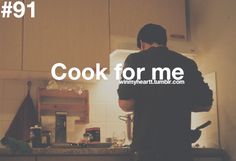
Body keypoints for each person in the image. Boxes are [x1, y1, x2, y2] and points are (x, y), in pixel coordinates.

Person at [117, 24, 213, 161]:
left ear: (142, 44)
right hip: (179, 149)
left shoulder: (135, 60)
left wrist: (150, 100)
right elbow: (206, 103)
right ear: (164, 42)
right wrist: (178, 101)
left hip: (147, 148)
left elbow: (125, 104)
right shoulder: (187, 63)